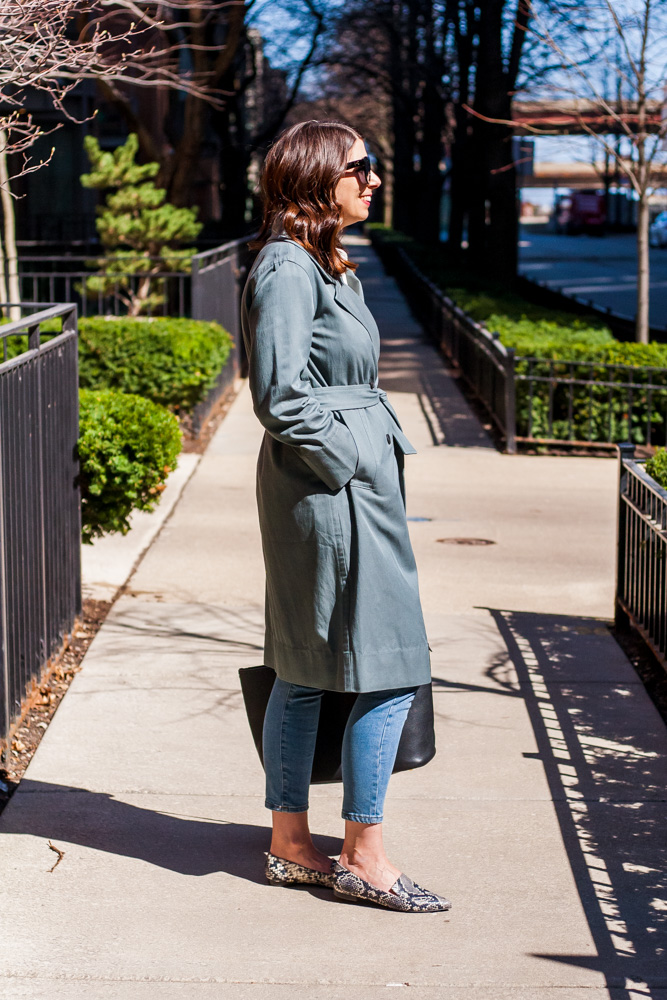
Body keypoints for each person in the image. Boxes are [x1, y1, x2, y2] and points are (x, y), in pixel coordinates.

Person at [241, 120, 450, 913]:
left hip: (336, 487)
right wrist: (352, 460)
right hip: (333, 493)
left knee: (306, 667)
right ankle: (363, 851)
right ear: (319, 174)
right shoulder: (289, 268)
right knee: (389, 665)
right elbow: (281, 395)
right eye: (361, 167)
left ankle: (290, 843)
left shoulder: (318, 263)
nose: (373, 180)